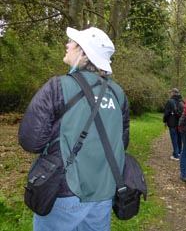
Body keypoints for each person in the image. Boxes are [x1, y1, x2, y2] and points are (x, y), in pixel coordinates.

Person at [18, 27, 130, 231]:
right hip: (104, 193)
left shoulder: (58, 87)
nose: (67, 44)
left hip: (64, 192)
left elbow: (31, 141)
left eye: (72, 42)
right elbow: (122, 143)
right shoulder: (118, 93)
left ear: (85, 54)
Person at [163, 88, 184, 160]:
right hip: (181, 122)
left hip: (172, 122)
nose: (170, 94)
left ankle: (176, 155)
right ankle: (179, 153)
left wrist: (165, 121)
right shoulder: (182, 101)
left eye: (170, 92)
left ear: (173, 93)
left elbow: (166, 113)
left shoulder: (170, 101)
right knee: (179, 138)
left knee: (174, 138)